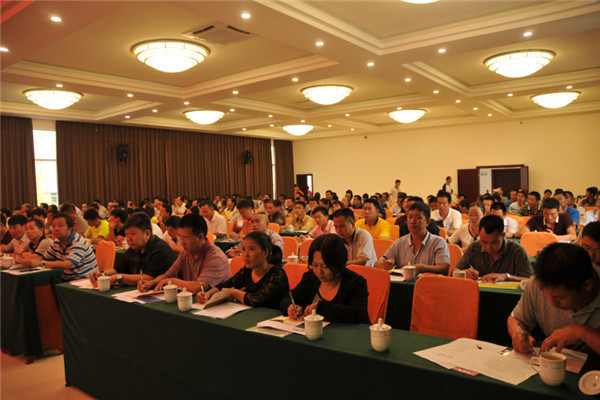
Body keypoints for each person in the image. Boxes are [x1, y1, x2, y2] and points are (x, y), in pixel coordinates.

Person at [508, 243, 600, 355]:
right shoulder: (537, 283)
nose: (551, 303)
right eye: (546, 295)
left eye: (559, 297)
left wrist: (582, 332)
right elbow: (517, 319)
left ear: (587, 286)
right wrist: (517, 333)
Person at [280, 234, 370, 323]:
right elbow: (288, 298)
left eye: (325, 266)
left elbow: (357, 314)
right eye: (315, 265)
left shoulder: (355, 283)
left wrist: (321, 308)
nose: (319, 271)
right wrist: (290, 307)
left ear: (339, 263)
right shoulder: (311, 277)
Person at [139, 214, 231, 294]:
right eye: (180, 237)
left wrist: (172, 281)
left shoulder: (215, 257)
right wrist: (151, 283)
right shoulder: (186, 252)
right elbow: (169, 274)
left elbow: (198, 287)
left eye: (186, 238)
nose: (182, 243)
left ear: (200, 237)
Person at [198, 231, 289, 309]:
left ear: (265, 252)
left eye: (251, 249)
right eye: (243, 249)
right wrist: (208, 294)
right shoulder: (248, 270)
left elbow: (257, 300)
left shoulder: (277, 274)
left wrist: (234, 292)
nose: (246, 254)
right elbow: (227, 284)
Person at [89, 212, 175, 287]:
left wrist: (118, 278)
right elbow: (118, 270)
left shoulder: (160, 249)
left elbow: (149, 277)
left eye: (132, 234)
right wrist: (102, 274)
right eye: (126, 234)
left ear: (147, 234)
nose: (128, 239)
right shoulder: (134, 248)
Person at [375, 202, 450, 275]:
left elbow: (444, 269)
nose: (412, 221)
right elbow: (377, 264)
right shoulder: (400, 242)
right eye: (410, 217)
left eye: (418, 218)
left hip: (428, 282)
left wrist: (422, 268)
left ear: (427, 222)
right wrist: (385, 264)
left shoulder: (438, 242)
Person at [456, 215, 533, 282]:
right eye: (484, 242)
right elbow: (455, 270)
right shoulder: (474, 247)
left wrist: (507, 276)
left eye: (494, 243)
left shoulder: (517, 250)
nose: (488, 247)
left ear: (503, 236)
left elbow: (530, 280)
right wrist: (464, 273)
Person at [22, 212, 97, 280]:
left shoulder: (77, 241)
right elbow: (44, 257)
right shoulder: (57, 242)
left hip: (85, 279)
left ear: (70, 228)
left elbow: (68, 264)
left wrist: (40, 263)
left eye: (60, 226)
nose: (56, 229)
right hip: (66, 278)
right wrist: (28, 261)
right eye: (53, 226)